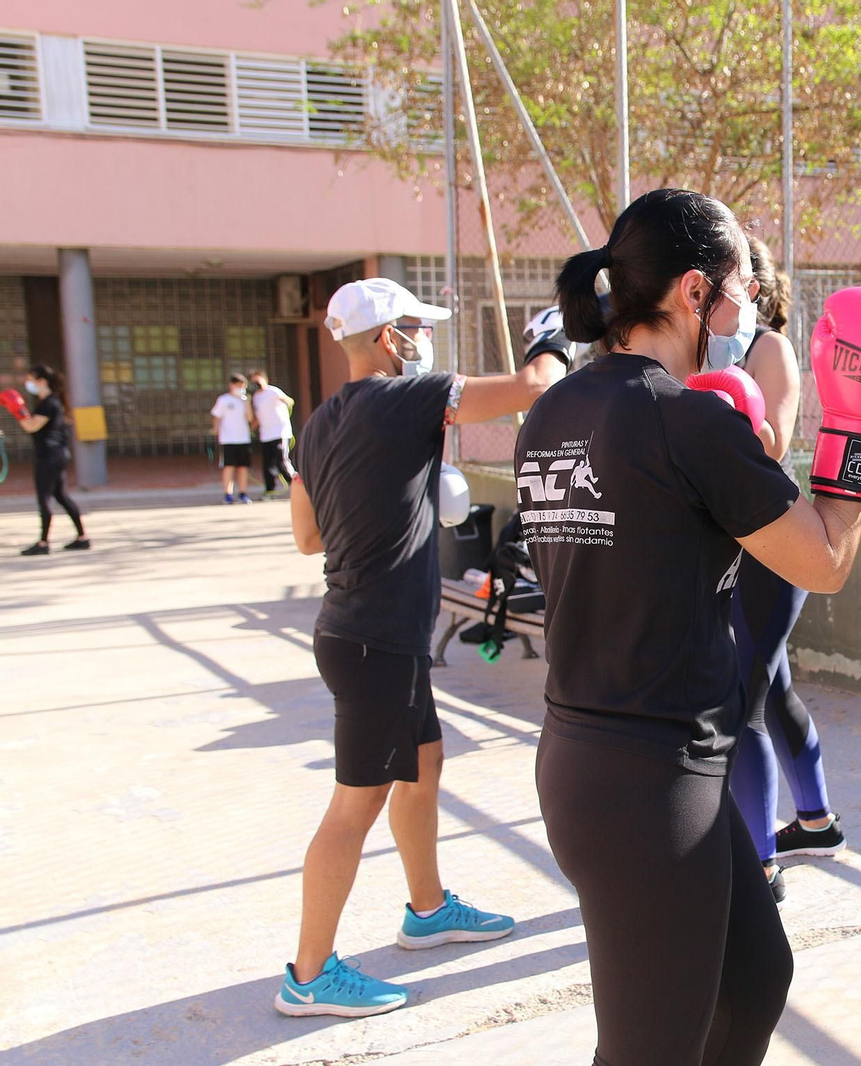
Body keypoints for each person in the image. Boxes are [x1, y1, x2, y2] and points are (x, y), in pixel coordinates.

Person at [517, 187, 861, 1065]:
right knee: (647, 1050)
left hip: (607, 760)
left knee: (753, 980)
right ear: (695, 293)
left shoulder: (554, 410)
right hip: (648, 781)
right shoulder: (687, 418)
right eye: (739, 286)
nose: (748, 308)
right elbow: (822, 562)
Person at [277, 277, 568, 1018]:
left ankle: (427, 909)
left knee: (424, 765)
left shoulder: (318, 424)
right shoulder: (406, 397)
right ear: (385, 339)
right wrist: (552, 339)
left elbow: (307, 537)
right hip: (375, 640)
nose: (422, 340)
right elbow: (533, 387)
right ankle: (308, 977)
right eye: (414, 327)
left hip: (363, 633)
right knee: (355, 806)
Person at [729, 236, 846, 908]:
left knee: (741, 701)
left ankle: (759, 865)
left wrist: (717, 391)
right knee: (771, 689)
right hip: (731, 542)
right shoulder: (697, 348)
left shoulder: (766, 347)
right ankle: (816, 820)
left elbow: (769, 440)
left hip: (771, 543)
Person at [1, 366, 88, 555]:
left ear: (42, 381)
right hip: (55, 454)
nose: (28, 383)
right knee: (61, 496)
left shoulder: (50, 402)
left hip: (49, 455)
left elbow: (31, 426)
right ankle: (82, 537)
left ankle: (43, 543)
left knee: (45, 498)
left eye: (30, 379)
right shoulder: (47, 402)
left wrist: (17, 409)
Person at [248, 369, 296, 499]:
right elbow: (258, 417)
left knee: (281, 461)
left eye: (257, 380)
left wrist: (285, 400)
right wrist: (250, 431)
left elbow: (289, 400)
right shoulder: (256, 397)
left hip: (279, 432)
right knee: (267, 465)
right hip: (265, 434)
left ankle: (297, 487)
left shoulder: (273, 391)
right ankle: (270, 491)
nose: (256, 383)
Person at [211, 372, 254, 504]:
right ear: (231, 385)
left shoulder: (244, 400)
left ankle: (243, 492)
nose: (240, 388)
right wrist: (215, 430)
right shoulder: (223, 400)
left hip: (243, 439)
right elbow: (216, 417)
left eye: (242, 386)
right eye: (238, 385)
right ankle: (227, 493)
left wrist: (247, 403)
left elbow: (250, 418)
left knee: (243, 467)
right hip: (228, 439)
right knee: (229, 466)